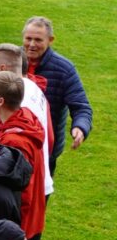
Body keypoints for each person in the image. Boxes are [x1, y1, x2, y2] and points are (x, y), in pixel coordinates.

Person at [21, 16, 93, 175]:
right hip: (9, 146)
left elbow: (81, 106)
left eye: (38, 40)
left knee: (39, 198)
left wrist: (80, 128)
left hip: (46, 151)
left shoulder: (64, 69)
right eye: (28, 39)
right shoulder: (11, 60)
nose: (32, 44)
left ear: (50, 40)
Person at [0, 71, 46, 240]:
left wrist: (20, 231)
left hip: (21, 222)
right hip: (30, 216)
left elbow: (20, 187)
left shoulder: (14, 141)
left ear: (1, 101)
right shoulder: (25, 119)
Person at [0, 43, 53, 200]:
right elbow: (49, 136)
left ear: (2, 70)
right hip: (40, 180)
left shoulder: (17, 104)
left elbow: (15, 171)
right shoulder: (33, 88)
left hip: (26, 190)